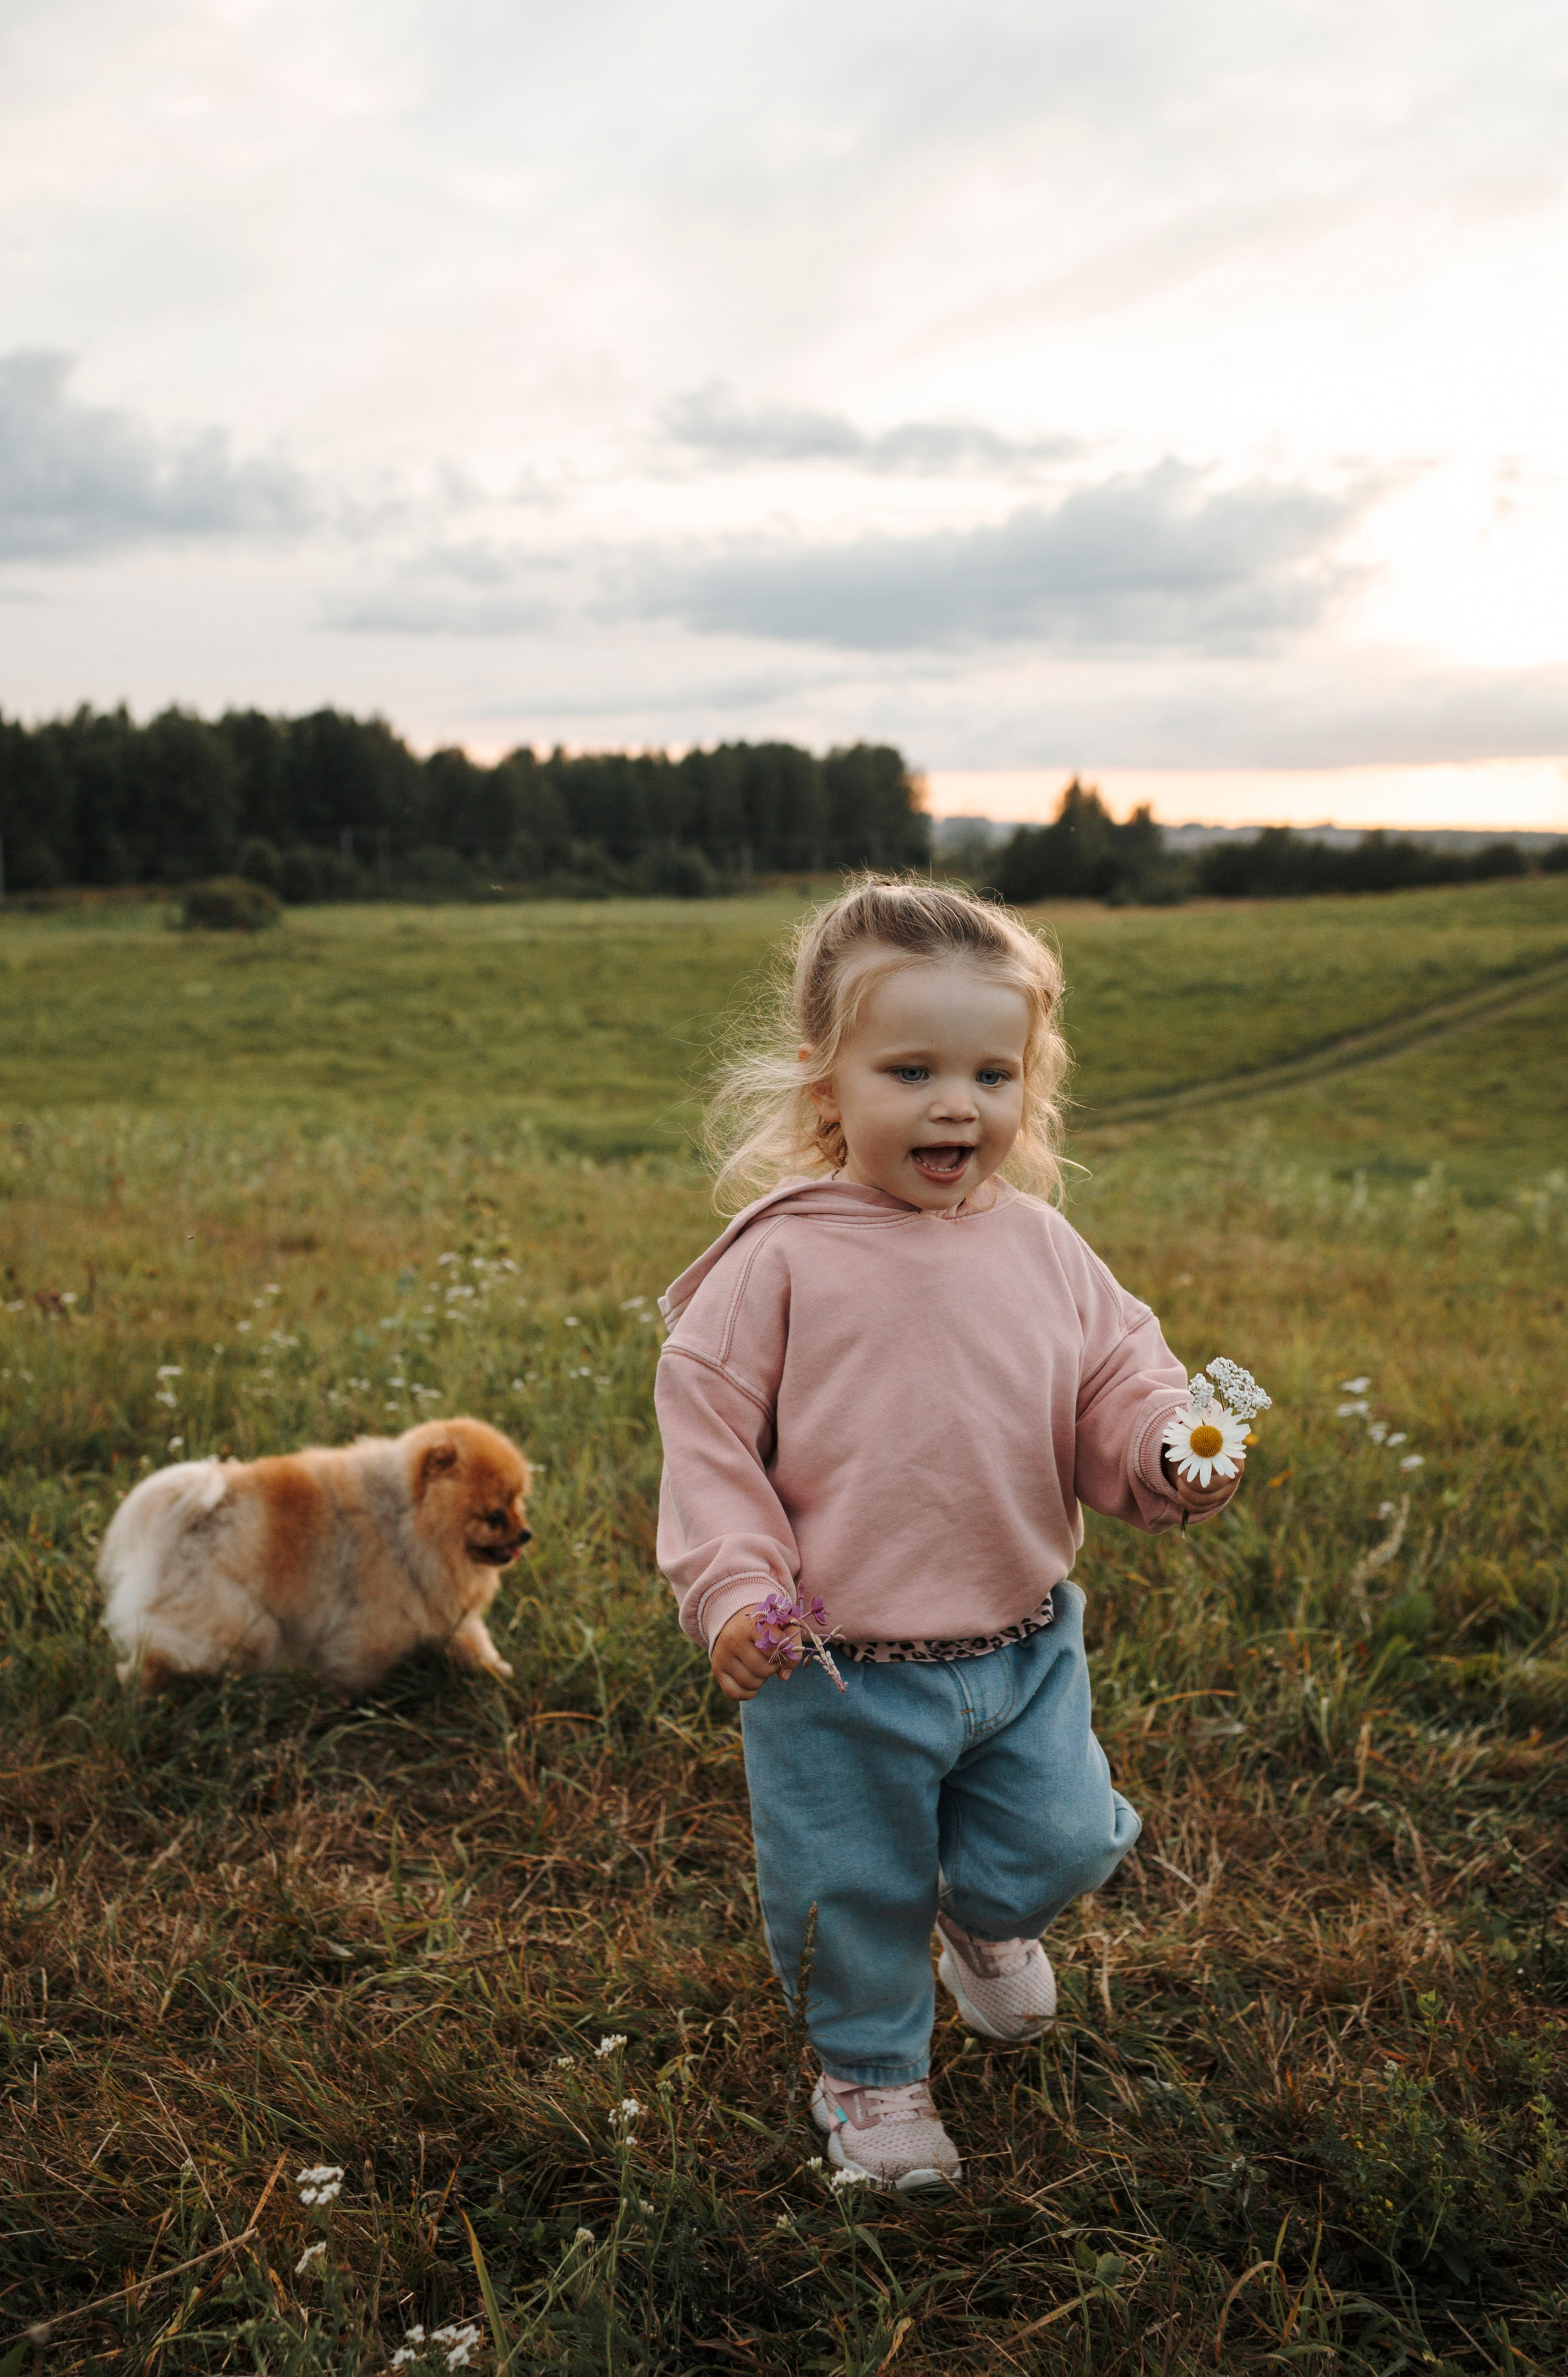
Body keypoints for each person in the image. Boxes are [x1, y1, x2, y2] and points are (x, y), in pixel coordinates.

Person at [653, 878, 1243, 2192]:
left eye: (991, 1072)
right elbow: (706, 1439)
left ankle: (981, 1920)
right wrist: (736, 1589)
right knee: (849, 1892)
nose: (953, 1106)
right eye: (909, 1069)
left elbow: (1116, 1380)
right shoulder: (779, 1260)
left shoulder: (1039, 1245)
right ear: (826, 1083)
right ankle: (869, 2082)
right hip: (834, 1668)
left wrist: (1168, 1453)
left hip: (1020, 1644)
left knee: (1066, 1839)